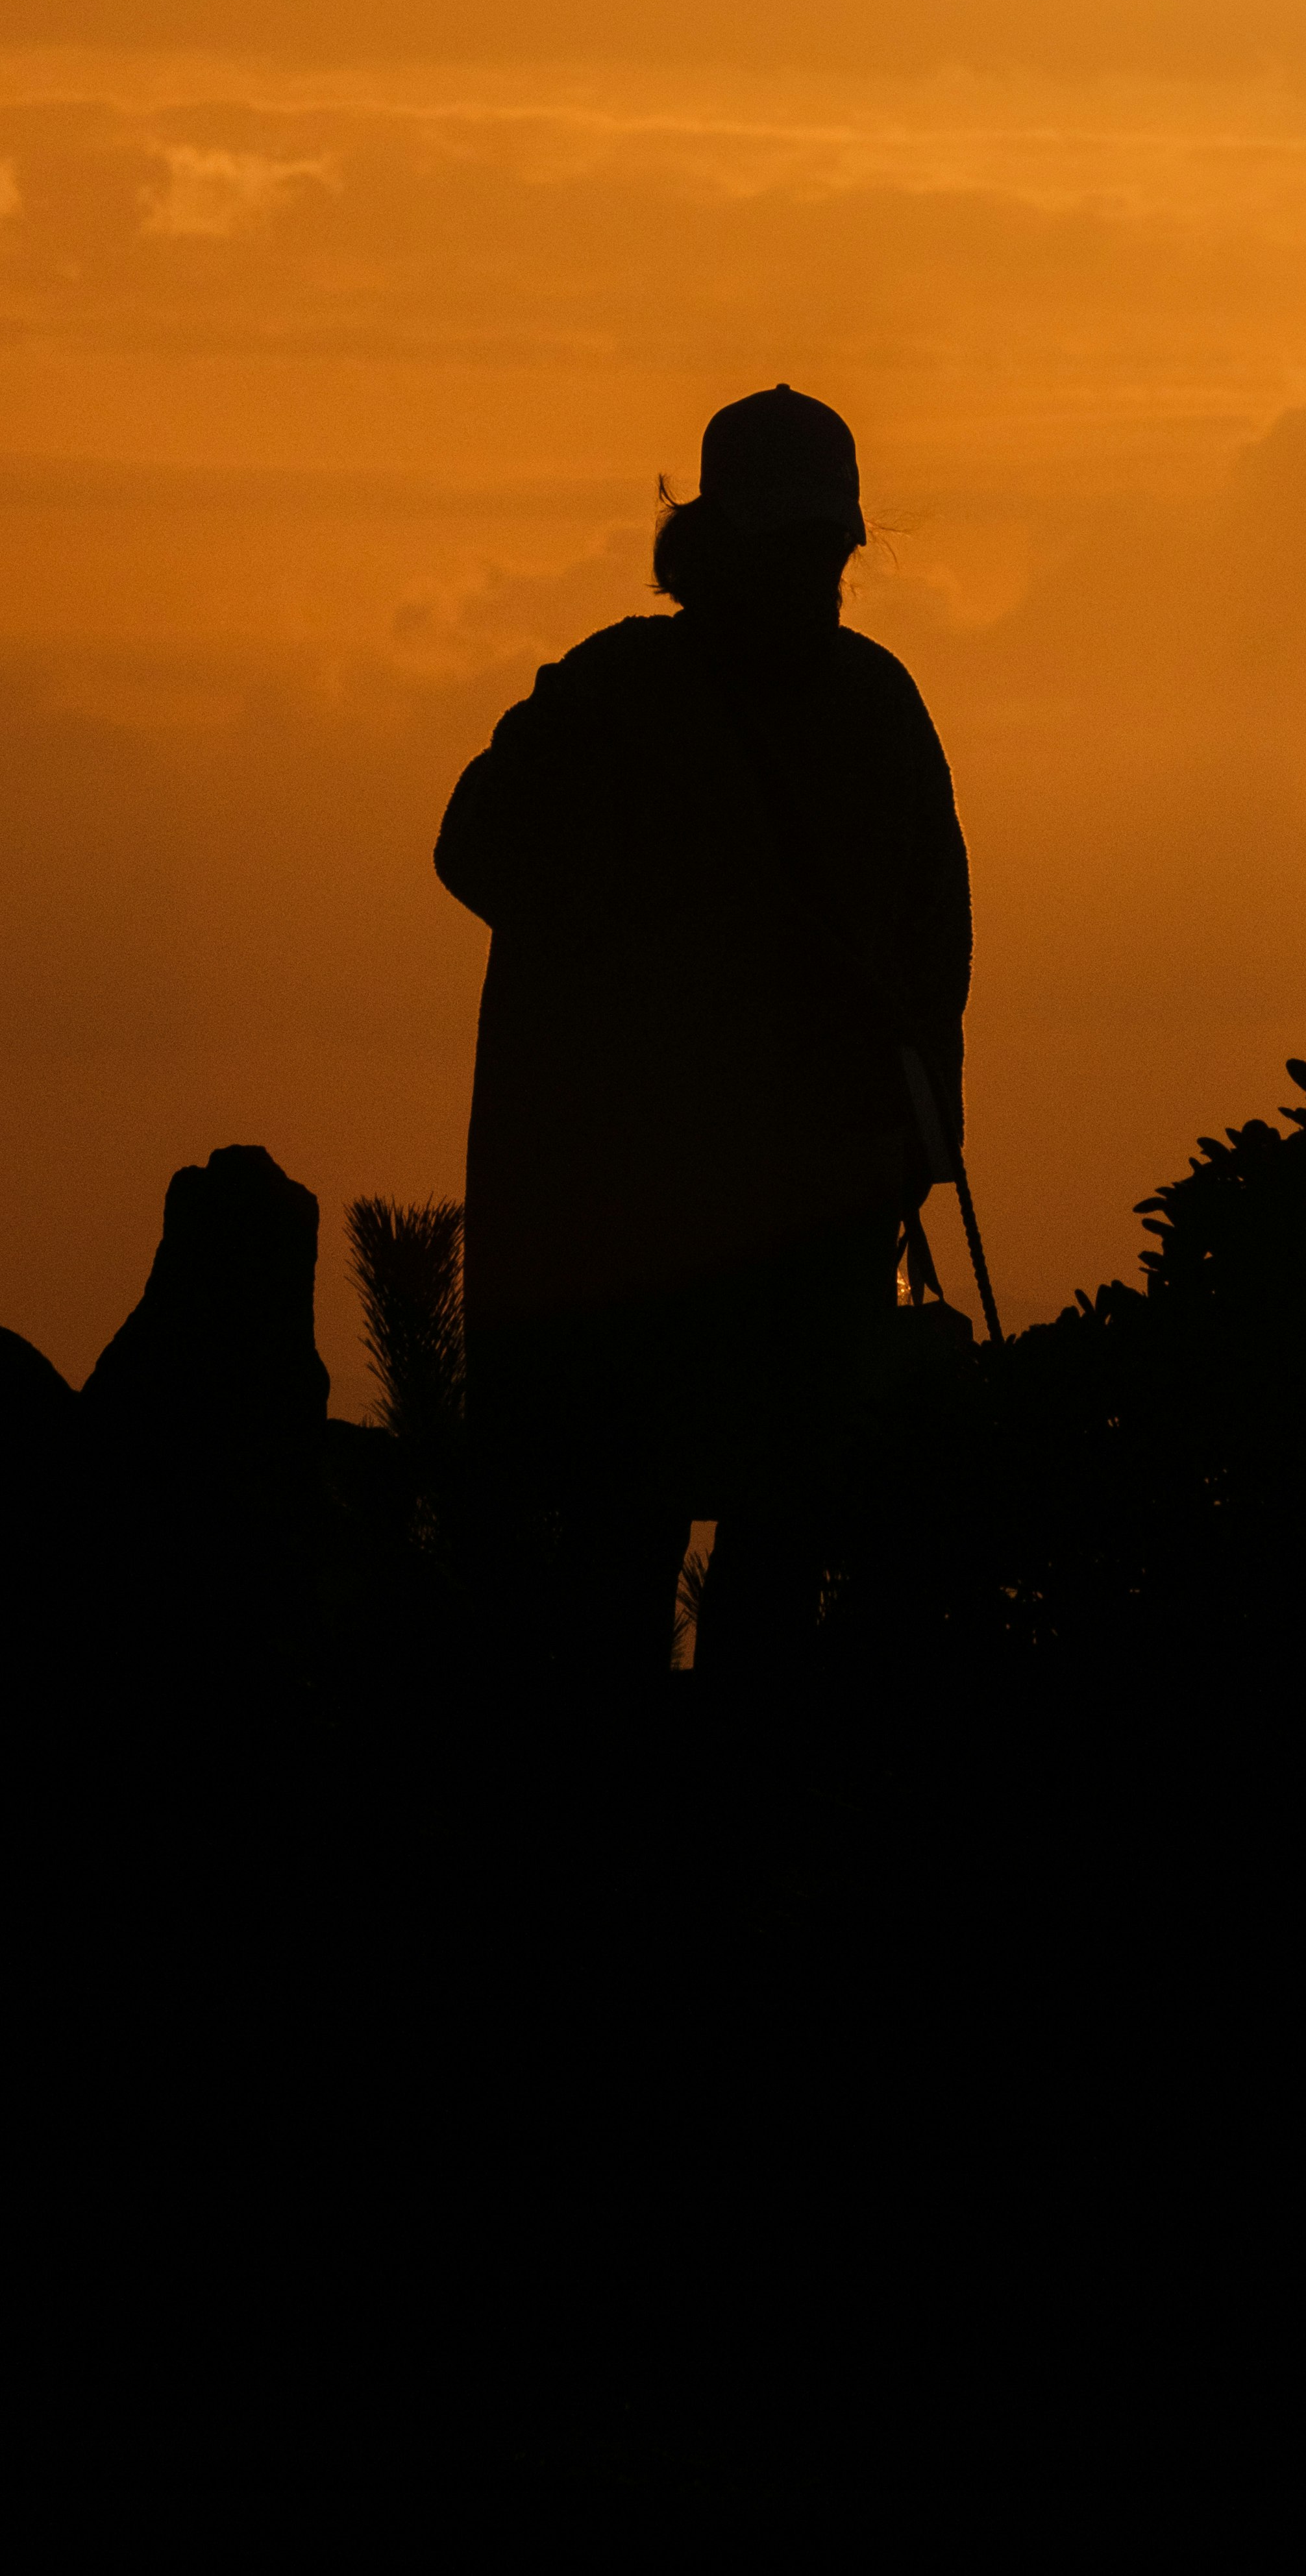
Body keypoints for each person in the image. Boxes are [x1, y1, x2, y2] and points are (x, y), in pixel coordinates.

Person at [434, 386, 972, 1688]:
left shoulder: (812, 702)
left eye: (825, 550)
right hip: (671, 1209)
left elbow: (930, 950)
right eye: (800, 547)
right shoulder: (645, 696)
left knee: (716, 1537)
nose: (817, 575)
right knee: (666, 1536)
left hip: (746, 1210)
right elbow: (482, 853)